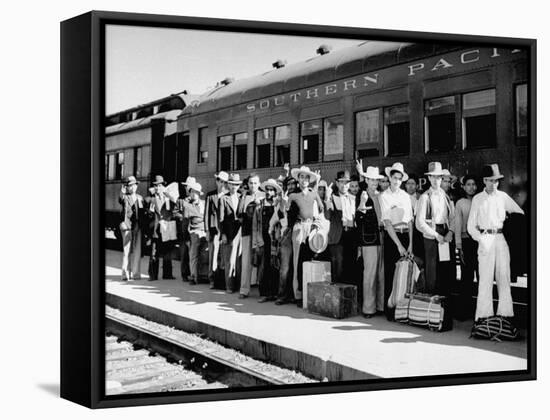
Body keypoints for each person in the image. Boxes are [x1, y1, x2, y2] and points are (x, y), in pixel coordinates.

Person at [467, 164, 524, 321]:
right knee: (485, 279)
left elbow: (520, 213)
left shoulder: (503, 197)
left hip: (500, 239)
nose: (494, 184)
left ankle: (505, 316)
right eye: (490, 181)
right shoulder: (478, 199)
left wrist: (509, 226)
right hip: (485, 238)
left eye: (496, 181)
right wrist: (481, 239)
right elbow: (470, 226)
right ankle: (483, 317)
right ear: (484, 180)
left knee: (503, 277)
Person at [379, 163, 414, 320]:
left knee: (405, 273)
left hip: (406, 235)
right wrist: (399, 245)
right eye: (394, 178)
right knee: (391, 273)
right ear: (390, 178)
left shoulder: (406, 196)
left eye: (400, 179)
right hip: (392, 237)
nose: (397, 181)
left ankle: (403, 308)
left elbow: (410, 221)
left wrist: (410, 244)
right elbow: (387, 222)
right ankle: (390, 310)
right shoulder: (384, 196)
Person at [285, 166, 324, 305]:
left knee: (309, 260)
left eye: (307, 177)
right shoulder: (293, 195)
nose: (304, 180)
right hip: (298, 228)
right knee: (297, 261)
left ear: (309, 180)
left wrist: (317, 223)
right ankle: (297, 295)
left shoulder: (313, 193)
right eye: (301, 177)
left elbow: (321, 208)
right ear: (298, 179)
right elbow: (287, 212)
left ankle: (308, 294)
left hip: (311, 228)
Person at [416, 162, 456, 296]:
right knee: (431, 270)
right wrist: (435, 235)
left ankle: (444, 306)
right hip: (431, 236)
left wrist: (450, 232)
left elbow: (452, 217)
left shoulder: (445, 196)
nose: (436, 180)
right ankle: (431, 304)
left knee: (444, 268)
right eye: (433, 177)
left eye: (438, 177)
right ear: (428, 178)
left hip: (444, 233)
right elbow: (419, 223)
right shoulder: (424, 197)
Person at [355, 167, 385, 317]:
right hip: (369, 239)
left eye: (376, 180)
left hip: (382, 237)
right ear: (367, 180)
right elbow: (357, 218)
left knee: (381, 273)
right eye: (372, 179)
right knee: (370, 274)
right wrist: (361, 206)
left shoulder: (381, 195)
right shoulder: (362, 194)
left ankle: (380, 306)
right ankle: (368, 308)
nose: (375, 182)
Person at [324, 170, 357, 284]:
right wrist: (327, 199)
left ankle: (348, 298)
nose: (344, 185)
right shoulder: (331, 197)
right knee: (337, 267)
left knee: (350, 266)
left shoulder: (353, 198)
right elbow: (327, 216)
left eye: (346, 182)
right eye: (341, 182)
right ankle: (336, 297)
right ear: (337, 183)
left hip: (350, 235)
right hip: (337, 236)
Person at [454, 174, 478, 320]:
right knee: (467, 276)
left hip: (480, 242)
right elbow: (457, 224)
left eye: (474, 184)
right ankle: (464, 310)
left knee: (481, 276)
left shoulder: (480, 199)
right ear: (463, 187)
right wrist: (459, 244)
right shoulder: (461, 203)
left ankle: (480, 311)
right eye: (468, 184)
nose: (471, 187)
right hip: (466, 241)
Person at [252, 178, 282, 302]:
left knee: (275, 266)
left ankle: (274, 293)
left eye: (271, 190)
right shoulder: (260, 205)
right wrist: (256, 242)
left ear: (275, 192)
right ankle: (264, 293)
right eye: (267, 190)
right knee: (264, 266)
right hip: (263, 239)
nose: (269, 192)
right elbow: (255, 225)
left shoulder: (278, 204)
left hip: (275, 240)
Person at [237, 173, 265, 298]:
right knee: (246, 261)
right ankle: (244, 290)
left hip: (261, 234)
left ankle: (264, 291)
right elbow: (239, 215)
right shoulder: (244, 196)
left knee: (262, 262)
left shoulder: (264, 195)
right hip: (247, 232)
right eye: (251, 183)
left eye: (255, 183)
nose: (253, 185)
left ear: (259, 184)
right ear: (247, 184)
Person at [145, 175, 177, 281]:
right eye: (156, 186)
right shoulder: (152, 199)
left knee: (167, 251)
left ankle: (167, 274)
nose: (158, 188)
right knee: (154, 252)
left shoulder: (168, 198)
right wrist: (150, 211)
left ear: (163, 186)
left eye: (159, 185)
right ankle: (153, 275)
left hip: (166, 228)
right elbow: (148, 215)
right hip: (156, 229)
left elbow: (173, 209)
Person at [219, 173, 243, 293]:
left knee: (239, 260)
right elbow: (221, 218)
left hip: (240, 232)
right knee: (229, 260)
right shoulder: (223, 198)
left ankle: (238, 286)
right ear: (228, 184)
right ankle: (229, 286)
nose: (234, 187)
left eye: (236, 185)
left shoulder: (241, 197)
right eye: (232, 184)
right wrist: (222, 233)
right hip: (228, 232)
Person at [179, 181, 207, 285]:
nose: (194, 194)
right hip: (194, 231)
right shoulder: (188, 206)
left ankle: (203, 276)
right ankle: (194, 276)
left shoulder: (204, 204)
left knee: (204, 255)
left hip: (204, 231)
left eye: (196, 192)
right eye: (192, 192)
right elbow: (185, 224)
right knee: (193, 255)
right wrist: (186, 239)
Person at [204, 171, 228, 288]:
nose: (221, 183)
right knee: (213, 255)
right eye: (219, 181)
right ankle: (212, 279)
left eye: (224, 182)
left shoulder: (227, 195)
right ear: (216, 181)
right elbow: (206, 214)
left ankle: (222, 280)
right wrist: (207, 230)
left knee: (223, 255)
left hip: (224, 230)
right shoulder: (210, 195)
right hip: (214, 230)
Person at [118, 175, 144, 281]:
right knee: (127, 250)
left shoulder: (140, 198)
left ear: (136, 186)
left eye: (134, 185)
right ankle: (125, 274)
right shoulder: (125, 197)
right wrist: (122, 191)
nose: (132, 187)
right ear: (127, 187)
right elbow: (120, 198)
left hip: (138, 225)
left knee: (137, 250)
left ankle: (136, 274)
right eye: (130, 185)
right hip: (127, 225)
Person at [176, 176, 195, 282]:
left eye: (188, 187)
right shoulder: (180, 200)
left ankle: (192, 273)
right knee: (184, 253)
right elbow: (175, 212)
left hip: (192, 229)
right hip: (183, 230)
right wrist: (182, 216)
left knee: (192, 253)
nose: (186, 189)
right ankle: (184, 274)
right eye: (186, 187)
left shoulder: (194, 200)